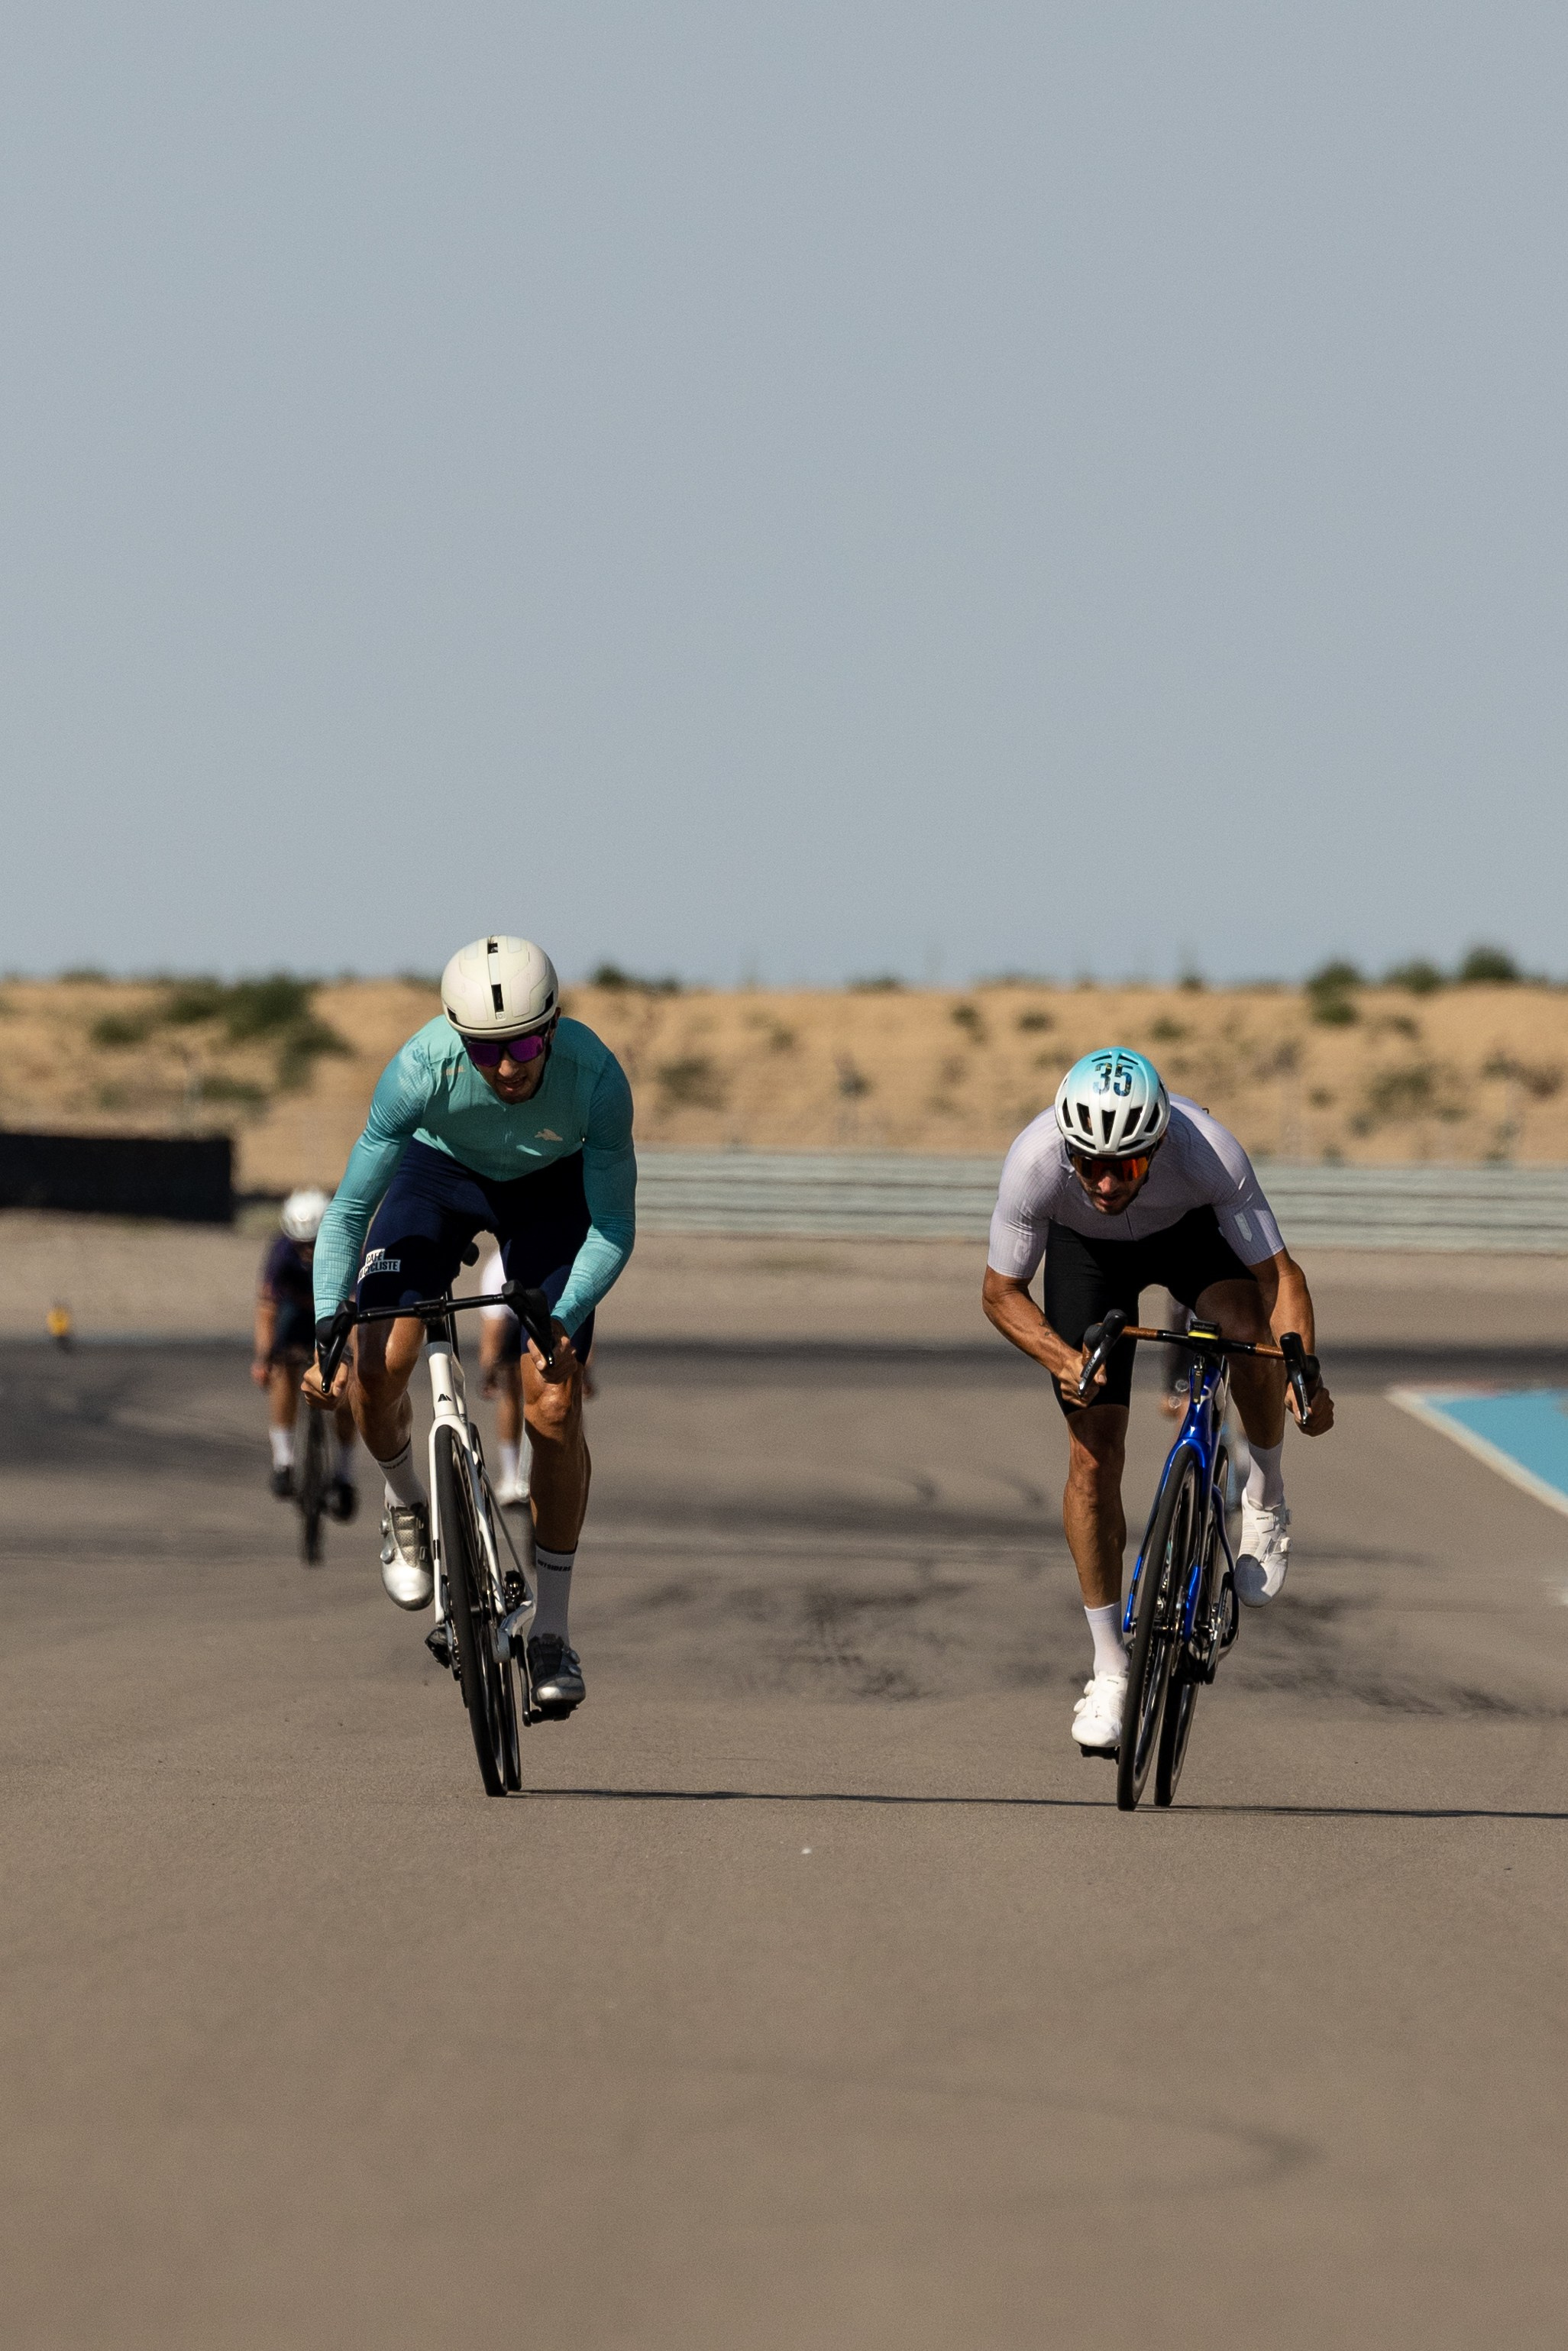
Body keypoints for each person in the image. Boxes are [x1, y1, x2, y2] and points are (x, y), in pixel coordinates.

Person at [304, 934, 635, 1720]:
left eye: (523, 1044)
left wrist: (561, 1317)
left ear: (551, 1028)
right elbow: (350, 1210)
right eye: (485, 1052)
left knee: (553, 1401)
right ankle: (407, 1505)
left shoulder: (595, 1080)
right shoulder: (419, 1070)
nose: (508, 1066)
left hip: (548, 1191)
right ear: (458, 1040)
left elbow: (614, 1227)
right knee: (376, 1359)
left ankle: (552, 1631)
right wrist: (323, 1322)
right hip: (437, 1174)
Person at [982, 1047, 1334, 1756]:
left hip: (1188, 1238)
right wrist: (1062, 1358)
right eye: (1090, 1165)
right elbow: (1000, 1293)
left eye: (1127, 1166)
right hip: (1088, 1258)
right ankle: (1111, 1669)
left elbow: (1279, 1277)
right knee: (1091, 1459)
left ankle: (1263, 1496)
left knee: (1247, 1332)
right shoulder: (1035, 1161)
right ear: (1068, 1151)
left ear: (1158, 1145)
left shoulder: (1207, 1152)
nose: (1107, 1182)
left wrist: (1306, 1373)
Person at [253, 1188, 358, 1516]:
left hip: (338, 1313)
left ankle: (344, 1472)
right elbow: (267, 1309)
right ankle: (284, 1460)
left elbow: (356, 1311)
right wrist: (262, 1358)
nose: (307, 1251)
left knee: (345, 1389)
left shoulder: (348, 1247)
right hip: (296, 1315)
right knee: (282, 1368)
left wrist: (350, 1357)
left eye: (313, 1243)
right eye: (301, 1244)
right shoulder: (281, 1252)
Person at [477, 1243, 530, 1509]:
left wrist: (487, 1374)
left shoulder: (497, 1266)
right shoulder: (497, 1268)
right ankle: (514, 1475)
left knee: (511, 1394)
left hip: (522, 1316)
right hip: (525, 1315)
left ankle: (513, 1477)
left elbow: (492, 1334)